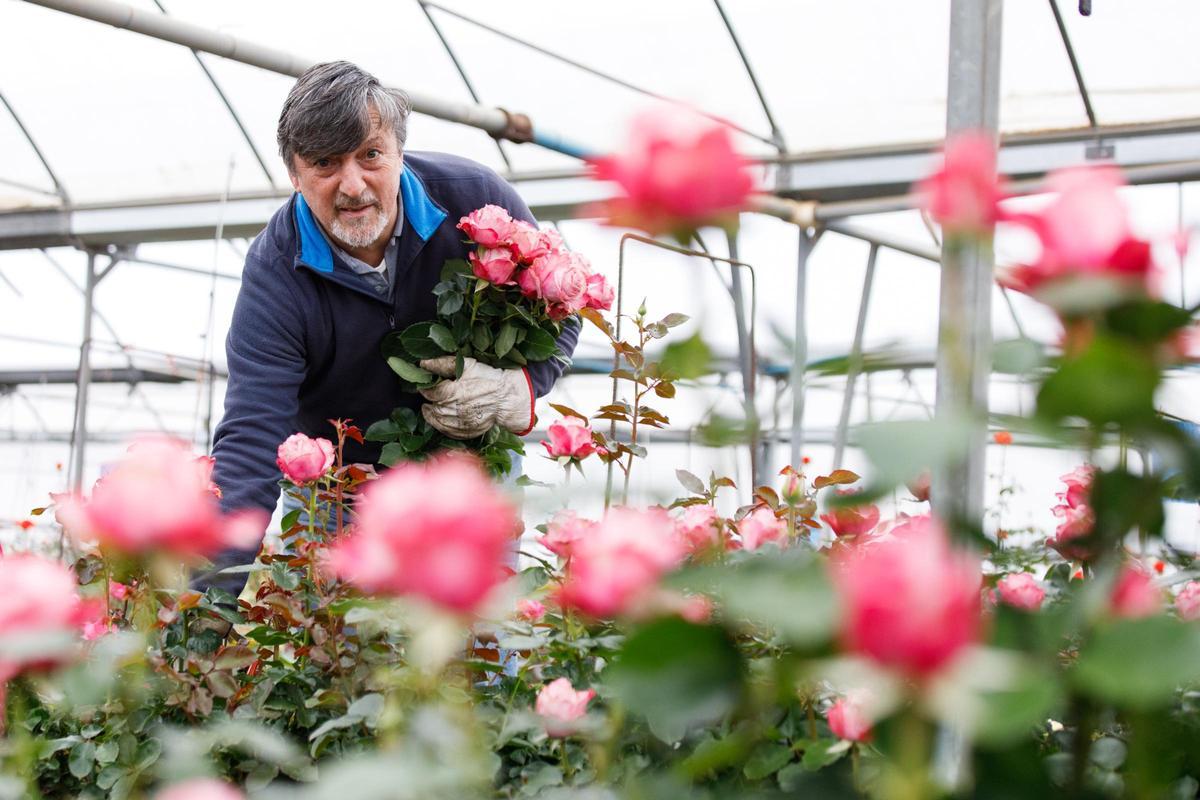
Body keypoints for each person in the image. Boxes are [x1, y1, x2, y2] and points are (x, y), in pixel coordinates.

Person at [203, 61, 579, 592]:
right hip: (339, 492)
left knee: (479, 649)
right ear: (294, 173)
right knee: (335, 656)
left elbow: (561, 302)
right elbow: (252, 435)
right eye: (325, 163)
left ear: (398, 151)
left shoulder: (474, 200)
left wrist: (519, 388)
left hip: (469, 471)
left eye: (370, 156)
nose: (353, 185)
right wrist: (199, 618)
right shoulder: (277, 270)